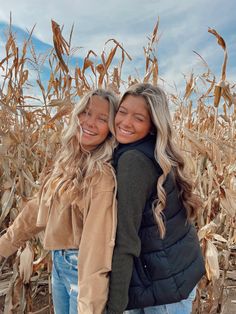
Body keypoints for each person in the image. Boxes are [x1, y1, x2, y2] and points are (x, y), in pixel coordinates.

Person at [0, 88, 118, 314]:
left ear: (111, 129)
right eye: (86, 112)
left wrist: (89, 305)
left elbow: (97, 246)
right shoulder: (69, 160)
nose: (90, 122)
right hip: (59, 263)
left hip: (81, 269)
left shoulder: (101, 175)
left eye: (102, 119)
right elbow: (38, 207)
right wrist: (5, 245)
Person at [106, 83, 205, 314]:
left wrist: (114, 308)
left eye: (138, 118)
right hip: (173, 274)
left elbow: (125, 240)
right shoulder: (150, 150)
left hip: (163, 290)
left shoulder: (133, 161)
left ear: (152, 126)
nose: (125, 122)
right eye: (122, 111)